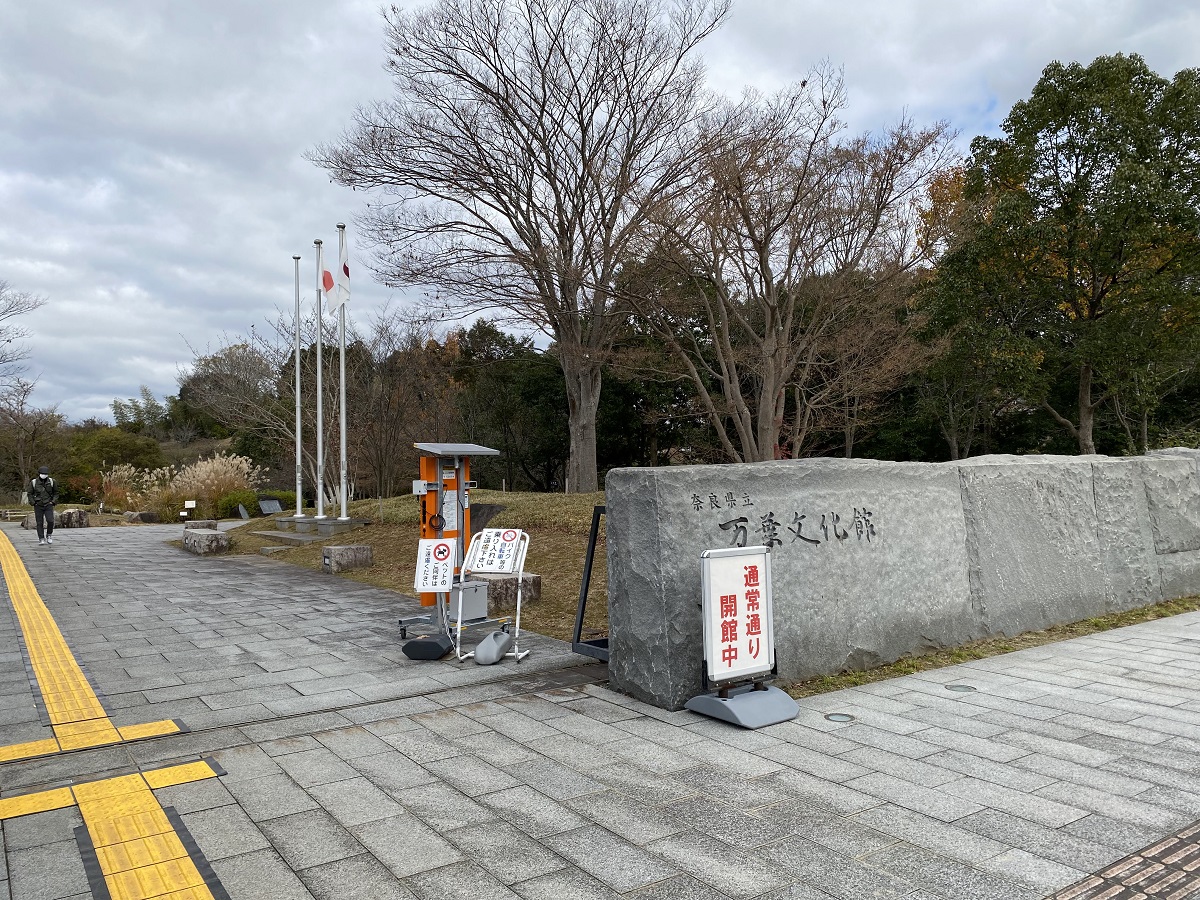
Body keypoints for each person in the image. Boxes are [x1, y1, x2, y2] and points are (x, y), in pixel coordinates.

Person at [29, 465, 58, 545]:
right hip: (38, 505)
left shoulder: (52, 481)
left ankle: (49, 535)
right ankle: (41, 538)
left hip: (48, 504)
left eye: (45, 473)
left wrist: (53, 501)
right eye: (42, 473)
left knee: (50, 520)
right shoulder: (34, 482)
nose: (44, 475)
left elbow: (56, 493)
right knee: (39, 522)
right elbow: (30, 494)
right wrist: (33, 502)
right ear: (39, 473)